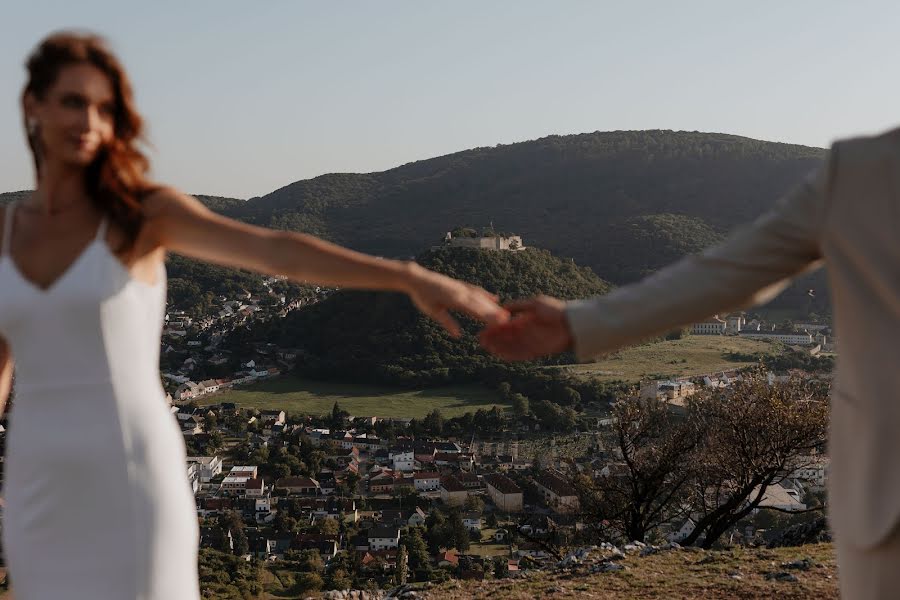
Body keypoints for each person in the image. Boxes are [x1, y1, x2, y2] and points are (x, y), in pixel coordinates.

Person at [0, 32, 507, 599]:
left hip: (126, 465)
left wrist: (408, 277)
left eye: (104, 108)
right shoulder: (5, 234)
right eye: (72, 101)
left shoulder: (140, 213)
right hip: (35, 475)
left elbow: (277, 251)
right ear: (32, 105)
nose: (88, 120)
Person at [480, 127, 900, 599]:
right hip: (885, 499)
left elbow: (731, 274)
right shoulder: (862, 169)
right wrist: (584, 321)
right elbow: (731, 272)